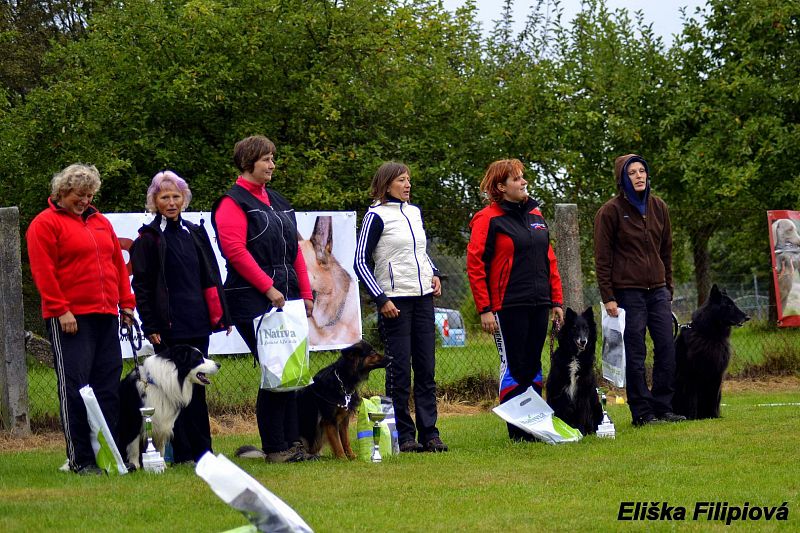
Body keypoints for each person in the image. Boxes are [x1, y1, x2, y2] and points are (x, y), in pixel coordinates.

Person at [211, 135, 315, 463]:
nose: (272, 165)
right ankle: (276, 447)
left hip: (288, 297)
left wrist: (306, 293)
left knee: (291, 369)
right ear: (248, 162)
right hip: (252, 298)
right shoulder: (232, 202)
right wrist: (268, 288)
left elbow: (293, 250)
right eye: (266, 159)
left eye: (273, 158)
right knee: (275, 367)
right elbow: (235, 252)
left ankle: (292, 442)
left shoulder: (279, 201)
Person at [26, 163, 136, 475]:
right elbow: (44, 272)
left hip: (106, 314)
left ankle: (109, 456)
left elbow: (117, 264)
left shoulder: (100, 222)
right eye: (79, 194)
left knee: (107, 387)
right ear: (61, 193)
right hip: (71, 318)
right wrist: (61, 309)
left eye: (89, 195)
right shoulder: (44, 224)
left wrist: (126, 304)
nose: (85, 200)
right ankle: (81, 459)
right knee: (74, 388)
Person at [130, 170, 231, 463]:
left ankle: (204, 451)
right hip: (168, 328)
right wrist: (150, 324)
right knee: (173, 393)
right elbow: (143, 285)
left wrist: (221, 315)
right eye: (165, 197)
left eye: (176, 196)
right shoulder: (148, 238)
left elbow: (211, 275)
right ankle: (182, 452)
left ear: (184, 199)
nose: (171, 202)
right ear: (154, 201)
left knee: (197, 391)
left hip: (198, 323)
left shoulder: (195, 233)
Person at [466, 158, 564, 441]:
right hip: (506, 306)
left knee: (533, 364)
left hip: (539, 302)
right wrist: (485, 308)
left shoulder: (535, 214)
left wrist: (556, 299)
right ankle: (517, 431)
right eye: (517, 179)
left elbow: (550, 258)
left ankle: (534, 426)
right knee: (514, 366)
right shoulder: (487, 219)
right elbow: (475, 265)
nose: (524, 182)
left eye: (523, 177)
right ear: (501, 186)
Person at [354, 162, 448, 453]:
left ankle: (430, 433)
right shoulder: (375, 216)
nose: (407, 185)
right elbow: (359, 261)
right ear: (385, 185)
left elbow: (420, 253)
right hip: (395, 302)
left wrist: (433, 273)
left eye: (408, 180)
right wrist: (381, 299)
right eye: (401, 180)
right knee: (399, 372)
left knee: (426, 368)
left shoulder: (415, 212)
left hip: (423, 299)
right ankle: (404, 436)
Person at [593, 154, 686, 426]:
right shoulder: (609, 211)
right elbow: (602, 258)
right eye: (632, 172)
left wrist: (668, 287)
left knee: (667, 347)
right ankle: (642, 413)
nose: (639, 175)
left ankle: (664, 407)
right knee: (635, 352)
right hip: (627, 292)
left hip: (658, 290)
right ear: (623, 178)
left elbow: (666, 251)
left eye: (642, 170)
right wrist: (608, 296)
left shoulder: (659, 208)